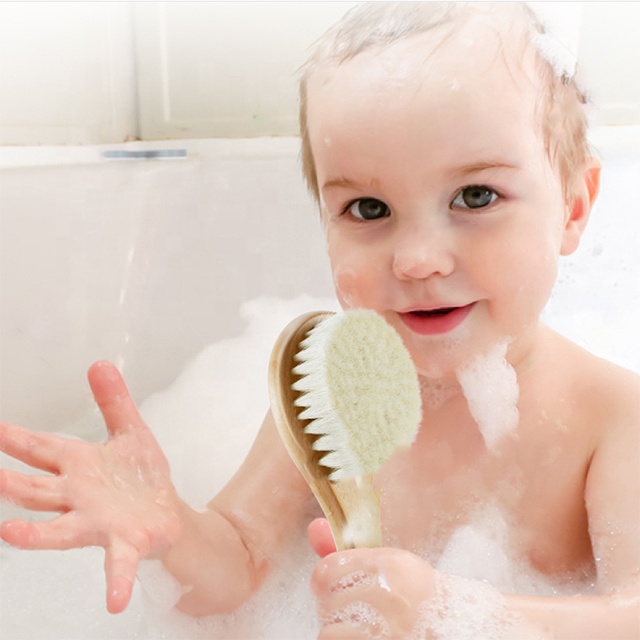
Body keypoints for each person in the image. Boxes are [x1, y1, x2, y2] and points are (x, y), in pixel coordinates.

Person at [1, 2, 638, 638]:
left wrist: (456, 616)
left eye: (476, 197)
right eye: (368, 208)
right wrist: (172, 531)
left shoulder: (609, 418)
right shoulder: (333, 397)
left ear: (573, 207)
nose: (416, 259)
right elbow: (239, 564)